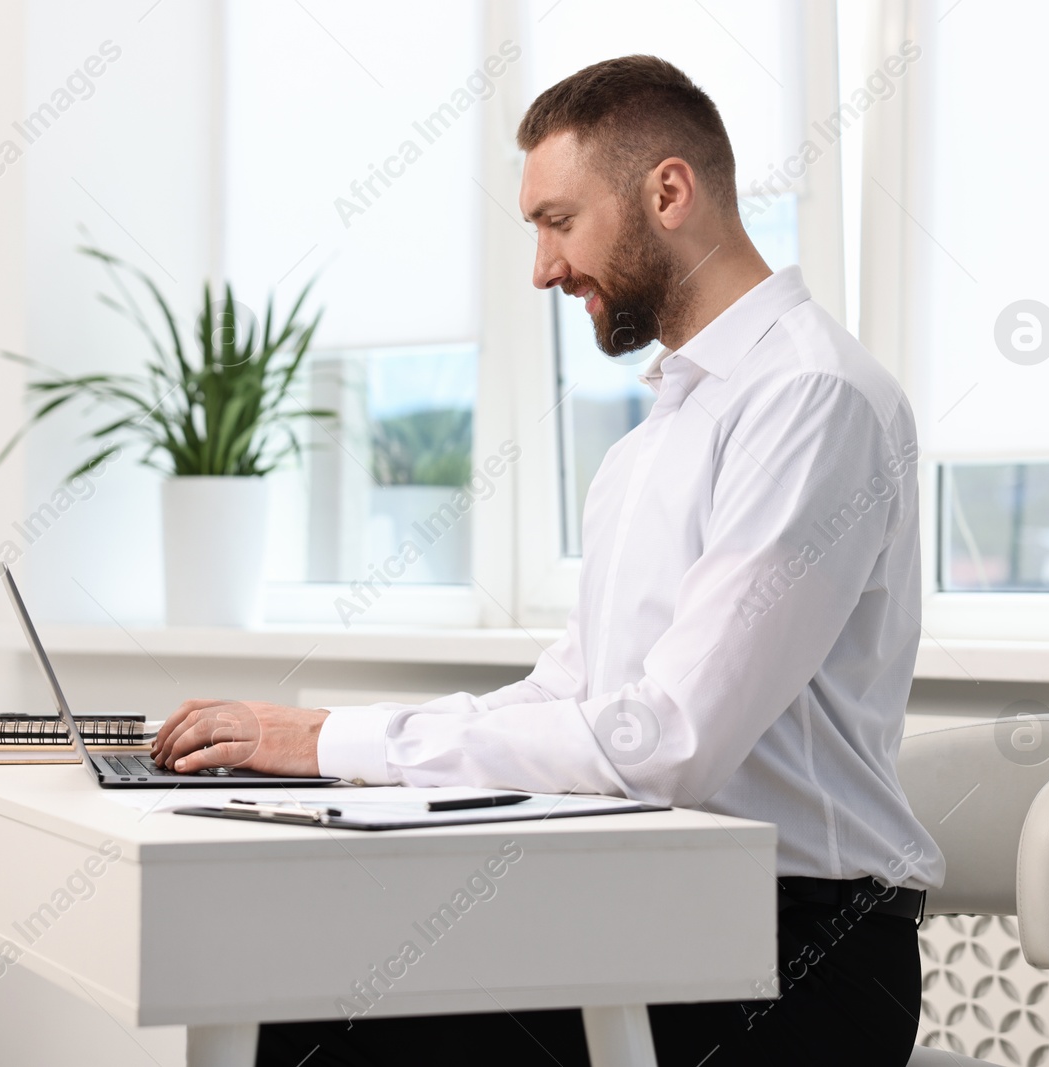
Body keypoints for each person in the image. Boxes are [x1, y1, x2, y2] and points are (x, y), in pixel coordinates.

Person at [154, 54, 943, 1067]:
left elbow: (665, 743)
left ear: (667, 190)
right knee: (305, 994)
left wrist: (329, 739)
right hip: (659, 907)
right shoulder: (654, 437)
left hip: (798, 954)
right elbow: (570, 691)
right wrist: (319, 742)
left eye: (558, 221)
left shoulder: (810, 398)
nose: (541, 268)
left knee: (333, 1028)